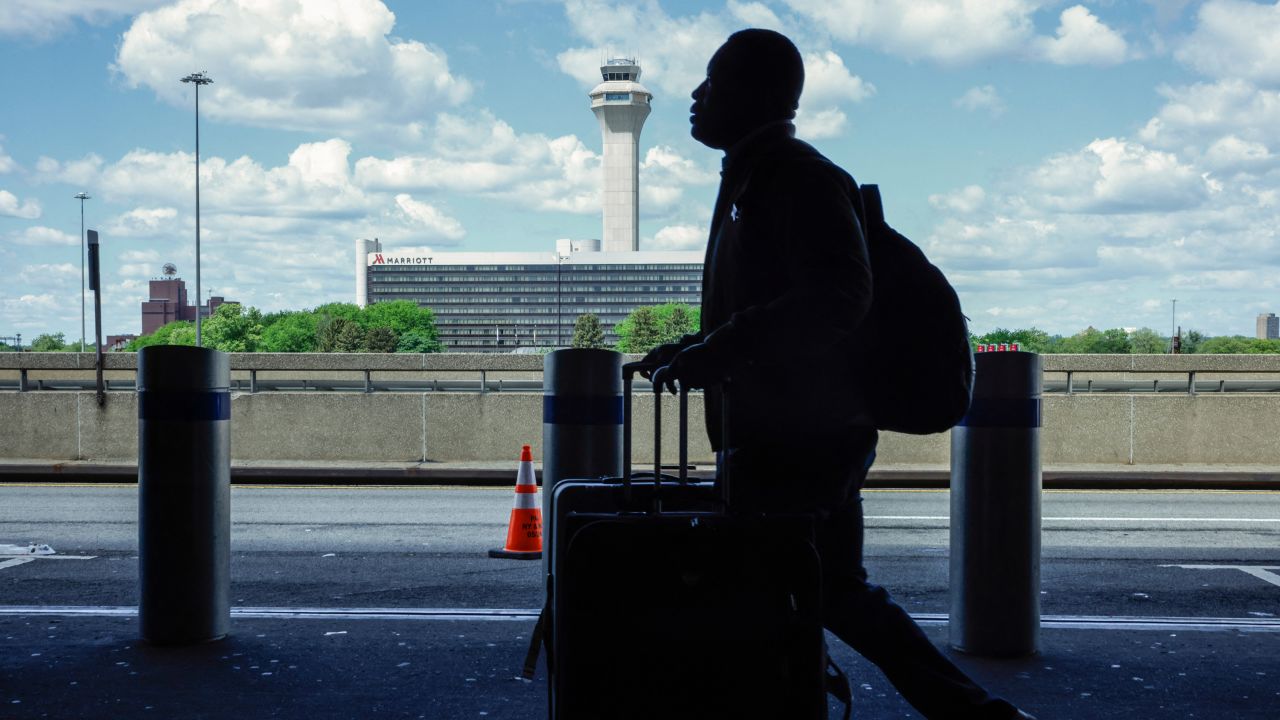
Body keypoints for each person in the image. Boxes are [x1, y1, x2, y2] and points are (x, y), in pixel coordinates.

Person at [646, 29, 1035, 720]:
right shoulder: (755, 174)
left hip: (798, 433)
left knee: (766, 593)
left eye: (714, 81)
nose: (697, 96)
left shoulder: (795, 174)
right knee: (831, 591)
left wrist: (723, 349)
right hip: (800, 426)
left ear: (763, 95)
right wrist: (693, 345)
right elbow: (766, 303)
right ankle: (977, 715)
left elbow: (836, 297)